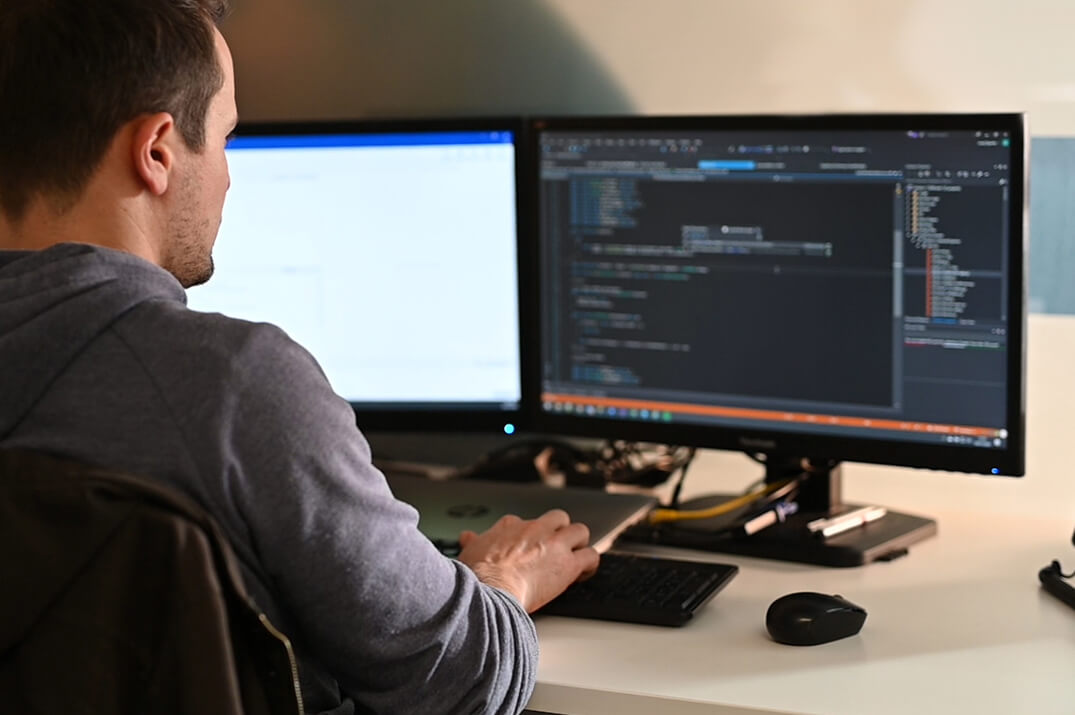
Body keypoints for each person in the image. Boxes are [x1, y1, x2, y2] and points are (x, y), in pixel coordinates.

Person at [0, 1, 599, 713]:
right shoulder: (233, 385)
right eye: (224, 139)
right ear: (157, 150)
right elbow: (460, 680)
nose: (227, 178)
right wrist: (503, 578)